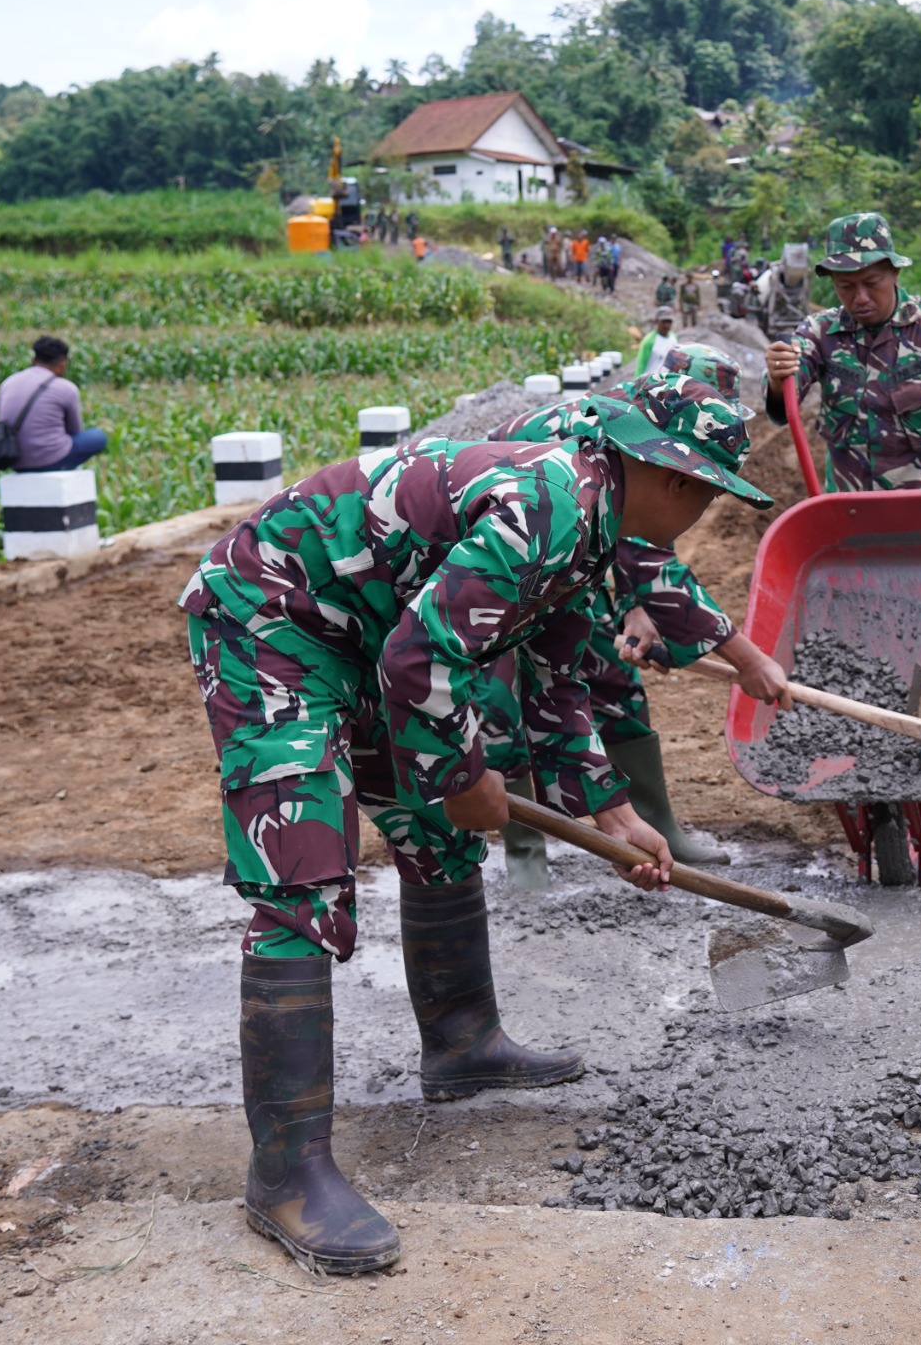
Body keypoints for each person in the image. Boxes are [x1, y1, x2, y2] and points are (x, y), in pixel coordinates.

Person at [180, 384, 772, 1274]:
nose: (703, 511)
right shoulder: (552, 506)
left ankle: (462, 1042)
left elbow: (557, 680)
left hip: (370, 638)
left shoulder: (590, 525)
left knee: (435, 834)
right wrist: (463, 778)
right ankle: (287, 1172)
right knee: (300, 869)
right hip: (273, 622)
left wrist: (615, 814)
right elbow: (421, 661)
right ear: (671, 477)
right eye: (707, 491)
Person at [483, 350, 790, 877]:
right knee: (503, 698)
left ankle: (650, 824)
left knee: (611, 674)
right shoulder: (613, 439)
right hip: (499, 555)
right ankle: (525, 858)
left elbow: (627, 542)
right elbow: (652, 562)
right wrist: (749, 661)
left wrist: (632, 610)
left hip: (565, 551)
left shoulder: (642, 439)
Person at [762, 212, 921, 491]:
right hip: (849, 504)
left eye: (872, 283)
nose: (860, 297)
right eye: (846, 286)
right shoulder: (819, 331)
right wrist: (778, 375)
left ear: (895, 273)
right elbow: (787, 389)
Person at [0, 335, 106, 472]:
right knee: (98, 436)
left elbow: (2, 421)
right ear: (62, 365)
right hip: (51, 461)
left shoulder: (8, 383)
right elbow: (74, 430)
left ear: (33, 360)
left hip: (13, 460)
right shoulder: (66, 388)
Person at [633, 307, 680, 378]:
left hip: (667, 381)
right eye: (664, 322)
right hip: (650, 382)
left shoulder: (674, 338)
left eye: (669, 322)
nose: (667, 325)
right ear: (656, 321)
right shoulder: (649, 340)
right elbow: (641, 364)